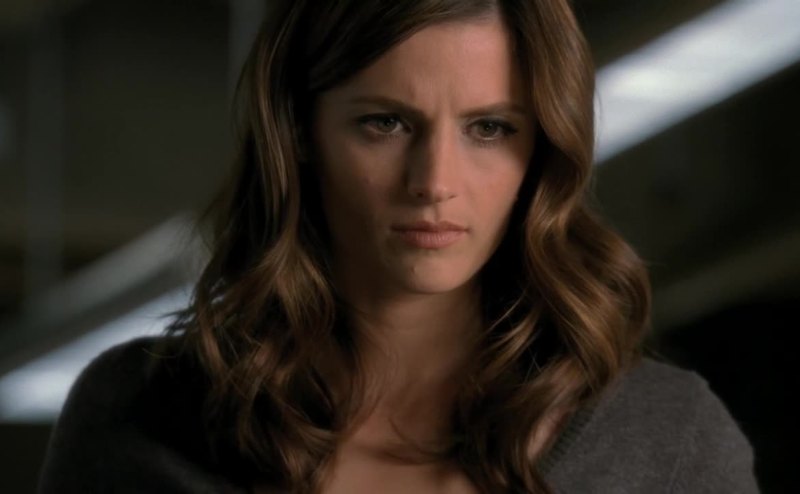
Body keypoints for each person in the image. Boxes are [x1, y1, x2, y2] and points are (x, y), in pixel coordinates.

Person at [38, 1, 759, 493]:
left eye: (490, 129)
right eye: (384, 123)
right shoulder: (134, 419)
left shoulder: (668, 440)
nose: (434, 183)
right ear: (300, 135)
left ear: (542, 150)